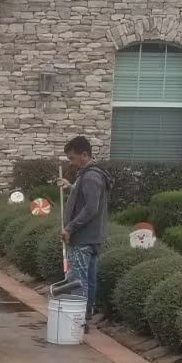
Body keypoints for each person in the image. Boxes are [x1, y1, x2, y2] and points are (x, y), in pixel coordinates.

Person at [56, 135, 110, 324]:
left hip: (83, 240)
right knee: (88, 279)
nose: (71, 163)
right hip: (91, 239)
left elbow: (90, 208)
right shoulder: (90, 175)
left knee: (78, 281)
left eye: (72, 158)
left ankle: (77, 321)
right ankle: (84, 317)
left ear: (85, 155)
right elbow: (86, 199)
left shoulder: (91, 176)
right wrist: (71, 186)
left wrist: (69, 228)